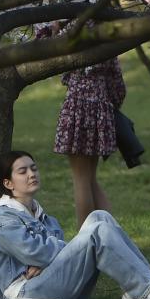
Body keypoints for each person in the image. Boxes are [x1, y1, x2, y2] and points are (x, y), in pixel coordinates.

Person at [0, 150, 150, 299]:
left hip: (52, 288)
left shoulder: (40, 214)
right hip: (30, 296)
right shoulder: (3, 218)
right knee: (96, 232)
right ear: (8, 183)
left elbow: (47, 255)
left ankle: (138, 295)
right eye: (23, 171)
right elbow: (37, 254)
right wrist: (53, 254)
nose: (32, 174)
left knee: (99, 217)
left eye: (34, 168)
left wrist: (48, 258)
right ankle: (148, 295)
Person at [40, 21, 129, 229]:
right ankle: (110, 235)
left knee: (80, 178)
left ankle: (84, 238)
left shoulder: (69, 32)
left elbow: (59, 68)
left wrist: (54, 32)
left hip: (76, 107)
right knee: (90, 178)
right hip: (101, 110)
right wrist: (108, 105)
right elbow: (118, 86)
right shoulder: (106, 34)